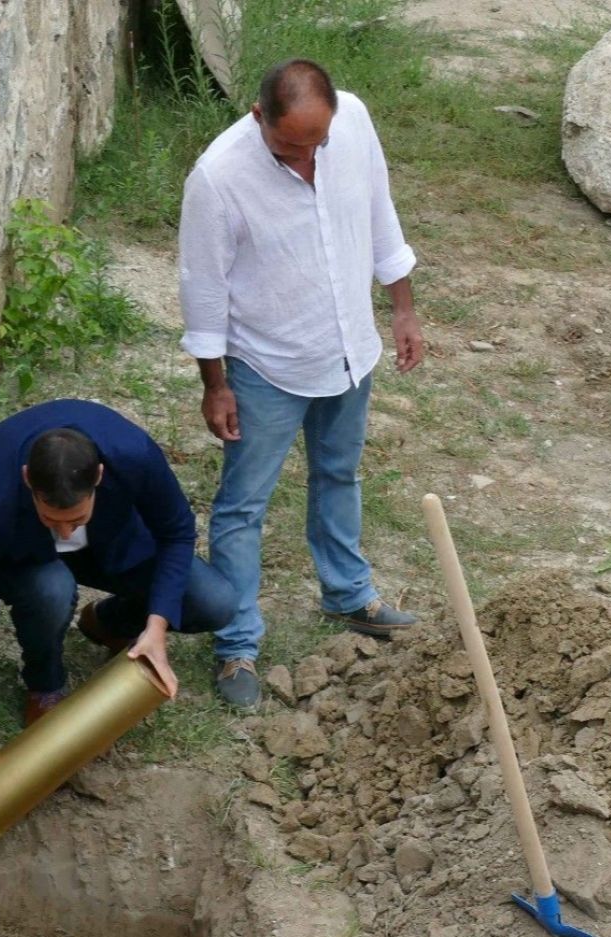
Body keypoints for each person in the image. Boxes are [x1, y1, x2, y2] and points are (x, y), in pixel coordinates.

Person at [178, 57, 429, 708]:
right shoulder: (218, 177)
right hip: (266, 364)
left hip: (347, 347)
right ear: (258, 116)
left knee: (340, 473)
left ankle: (349, 595)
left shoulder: (353, 123)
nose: (304, 159)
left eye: (316, 144)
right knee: (242, 507)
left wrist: (400, 307)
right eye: (289, 146)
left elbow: (380, 213)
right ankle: (237, 647)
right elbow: (203, 291)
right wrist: (216, 385)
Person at [0, 399, 235, 799]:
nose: (67, 533)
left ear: (100, 477)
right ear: (26, 480)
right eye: (53, 520)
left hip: (111, 548)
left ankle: (109, 622)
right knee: (52, 590)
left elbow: (176, 532)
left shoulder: (132, 453)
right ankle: (44, 684)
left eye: (77, 519)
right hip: (27, 559)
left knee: (215, 601)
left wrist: (157, 626)